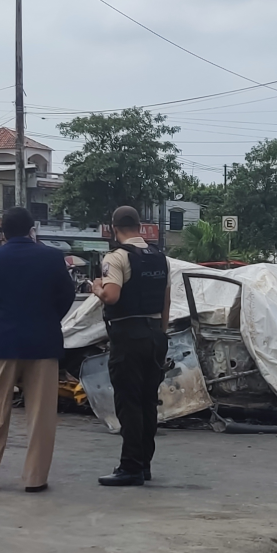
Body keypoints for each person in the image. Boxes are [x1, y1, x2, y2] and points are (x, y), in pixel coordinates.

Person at [0, 207, 76, 493]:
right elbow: (67, 295)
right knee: (41, 414)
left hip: (4, 343)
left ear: (3, 233)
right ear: (31, 229)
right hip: (43, 343)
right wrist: (50, 320)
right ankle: (35, 478)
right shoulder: (52, 257)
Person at [92, 206, 170, 487]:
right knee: (148, 402)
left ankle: (130, 466)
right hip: (155, 336)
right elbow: (165, 303)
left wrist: (97, 288)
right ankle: (144, 463)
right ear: (140, 226)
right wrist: (160, 336)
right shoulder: (160, 258)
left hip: (128, 336)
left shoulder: (116, 257)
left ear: (115, 227)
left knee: (129, 402)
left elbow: (111, 297)